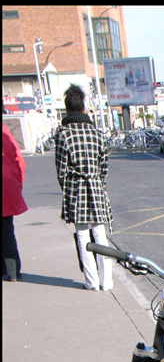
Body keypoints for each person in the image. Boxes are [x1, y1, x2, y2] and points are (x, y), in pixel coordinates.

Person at [54, 84, 114, 291]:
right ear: (84, 107)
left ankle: (91, 281)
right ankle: (107, 282)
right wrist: (99, 185)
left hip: (76, 188)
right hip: (96, 186)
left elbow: (61, 168)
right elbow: (104, 166)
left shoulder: (63, 134)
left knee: (82, 234)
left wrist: (67, 188)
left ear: (67, 109)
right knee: (100, 234)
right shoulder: (97, 133)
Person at [2, 123, 27, 281]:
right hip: (8, 185)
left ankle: (7, 270)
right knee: (7, 230)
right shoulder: (5, 131)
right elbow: (19, 160)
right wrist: (17, 182)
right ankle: (13, 271)